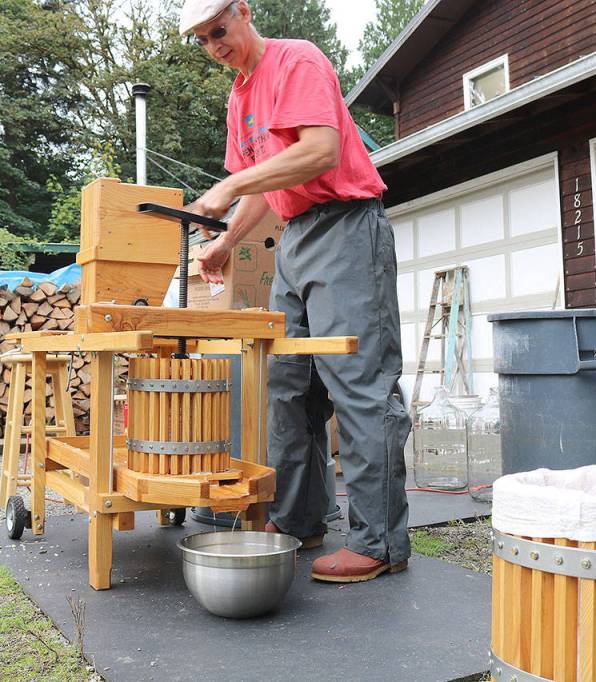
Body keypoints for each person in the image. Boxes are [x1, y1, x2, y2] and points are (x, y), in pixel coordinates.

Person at [180, 0, 410, 583]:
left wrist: (229, 183)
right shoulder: (239, 99)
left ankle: (378, 541)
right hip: (296, 237)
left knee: (358, 382)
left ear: (244, 12)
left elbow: (318, 152)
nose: (214, 45)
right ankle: (300, 517)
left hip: (348, 225)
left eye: (218, 30)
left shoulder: (296, 61)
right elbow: (266, 186)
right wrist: (227, 242)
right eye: (202, 40)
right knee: (287, 385)